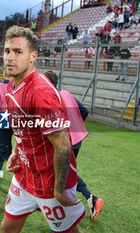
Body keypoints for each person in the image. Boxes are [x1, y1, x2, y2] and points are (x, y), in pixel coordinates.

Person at [0, 25, 85, 233]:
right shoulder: (12, 85)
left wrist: (60, 190)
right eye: (7, 51)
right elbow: (25, 129)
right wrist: (16, 152)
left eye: (18, 52)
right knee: (7, 229)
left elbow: (64, 145)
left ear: (32, 57)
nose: (10, 57)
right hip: (25, 176)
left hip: (50, 182)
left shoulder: (40, 93)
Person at [44, 70, 104, 220]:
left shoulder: (50, 97)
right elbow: (84, 111)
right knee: (64, 170)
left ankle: (91, 198)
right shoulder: (66, 93)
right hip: (77, 139)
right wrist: (75, 124)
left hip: (66, 140)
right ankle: (63, 200)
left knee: (63, 171)